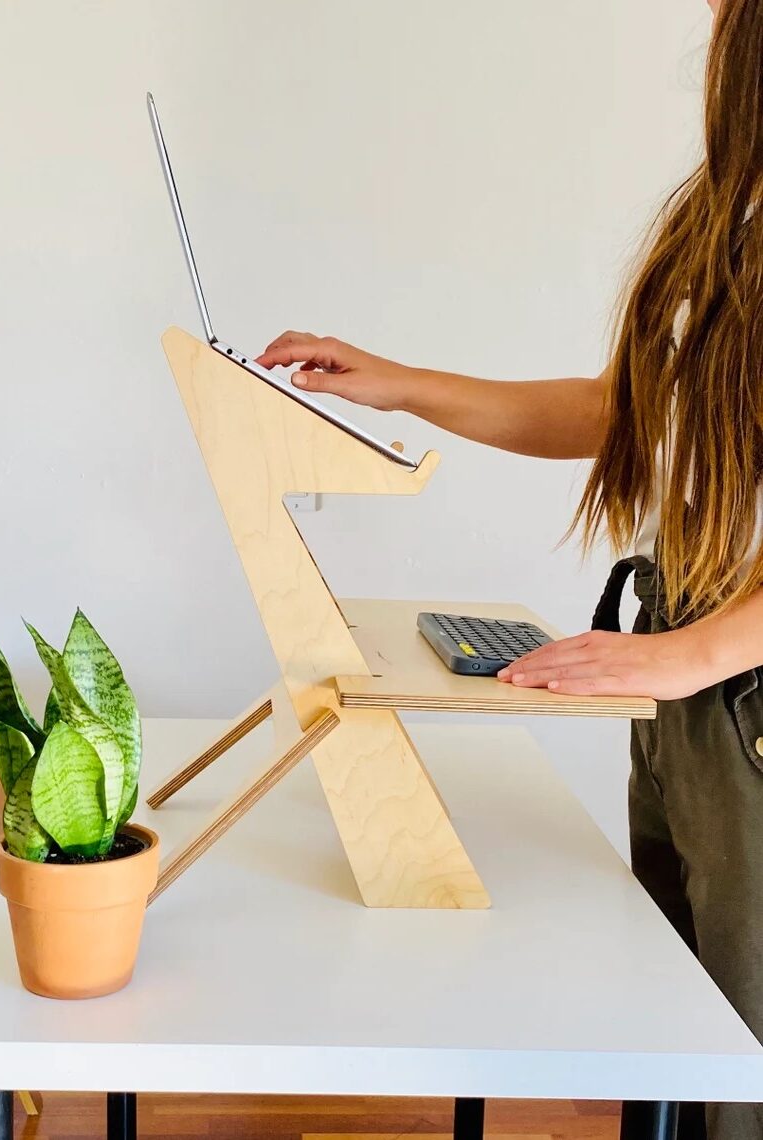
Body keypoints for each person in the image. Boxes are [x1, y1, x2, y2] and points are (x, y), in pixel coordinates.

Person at [257, 1, 761, 1136]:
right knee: (674, 1047)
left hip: (727, 685)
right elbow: (629, 414)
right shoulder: (723, 219)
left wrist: (688, 655)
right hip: (690, 685)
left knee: (734, 1065)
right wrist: (399, 383)